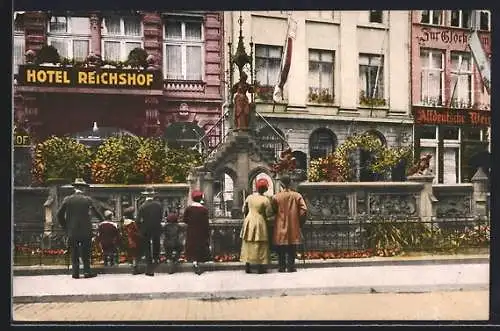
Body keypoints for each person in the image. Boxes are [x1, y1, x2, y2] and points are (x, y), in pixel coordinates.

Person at [56, 178, 104, 279]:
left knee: (74, 252)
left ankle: (75, 273)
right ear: (83, 188)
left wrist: (65, 226)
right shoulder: (87, 199)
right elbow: (97, 213)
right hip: (85, 230)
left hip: (72, 231)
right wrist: (102, 221)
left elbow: (59, 215)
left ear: (75, 188)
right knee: (85, 252)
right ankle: (87, 272)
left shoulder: (67, 199)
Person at [271, 174, 308, 273]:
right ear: (290, 183)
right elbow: (304, 210)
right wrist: (299, 221)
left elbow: (272, 210)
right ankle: (291, 266)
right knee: (292, 246)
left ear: (281, 184)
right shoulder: (297, 195)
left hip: (280, 224)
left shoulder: (276, 197)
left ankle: (281, 267)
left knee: (281, 247)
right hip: (293, 225)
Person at [240, 178, 274, 274]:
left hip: (249, 220)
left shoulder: (249, 197)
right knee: (260, 244)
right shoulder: (265, 200)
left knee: (247, 242)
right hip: (259, 221)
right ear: (265, 189)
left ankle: (247, 265)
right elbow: (269, 213)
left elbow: (244, 209)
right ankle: (260, 266)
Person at [136, 186, 163, 276]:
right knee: (156, 243)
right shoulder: (158, 205)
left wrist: (141, 228)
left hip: (146, 228)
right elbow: (160, 217)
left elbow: (138, 220)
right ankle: (156, 259)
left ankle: (149, 265)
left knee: (147, 246)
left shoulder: (142, 206)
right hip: (156, 227)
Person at [183, 190, 210, 275]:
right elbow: (206, 222)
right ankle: (199, 262)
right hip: (201, 231)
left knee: (192, 246)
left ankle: (194, 262)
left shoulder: (189, 209)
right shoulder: (204, 210)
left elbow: (185, 220)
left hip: (191, 231)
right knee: (200, 246)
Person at [122, 206, 143, 275]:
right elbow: (134, 232)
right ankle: (135, 268)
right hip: (134, 240)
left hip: (127, 240)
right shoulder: (131, 223)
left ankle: (134, 267)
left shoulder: (125, 223)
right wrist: (140, 235)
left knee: (132, 254)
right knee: (136, 255)